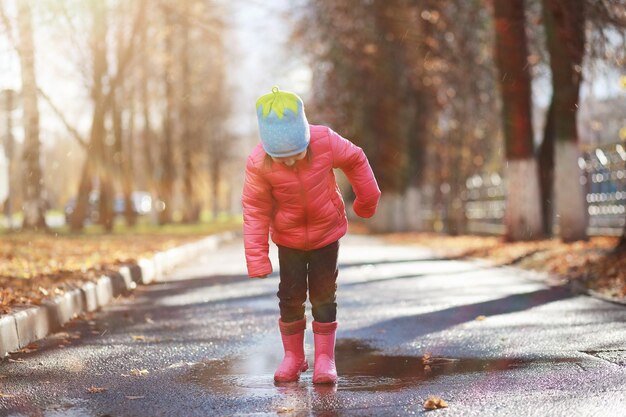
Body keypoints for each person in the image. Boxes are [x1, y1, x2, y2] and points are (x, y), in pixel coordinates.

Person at [242, 86, 381, 384]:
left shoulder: (324, 140)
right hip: (288, 238)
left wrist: (366, 200)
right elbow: (255, 209)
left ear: (305, 137)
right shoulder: (258, 163)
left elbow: (355, 159)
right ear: (268, 150)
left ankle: (324, 360)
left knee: (323, 293)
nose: (291, 162)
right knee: (290, 297)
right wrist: (257, 257)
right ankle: (293, 357)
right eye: (283, 158)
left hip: (326, 233)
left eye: (296, 154)